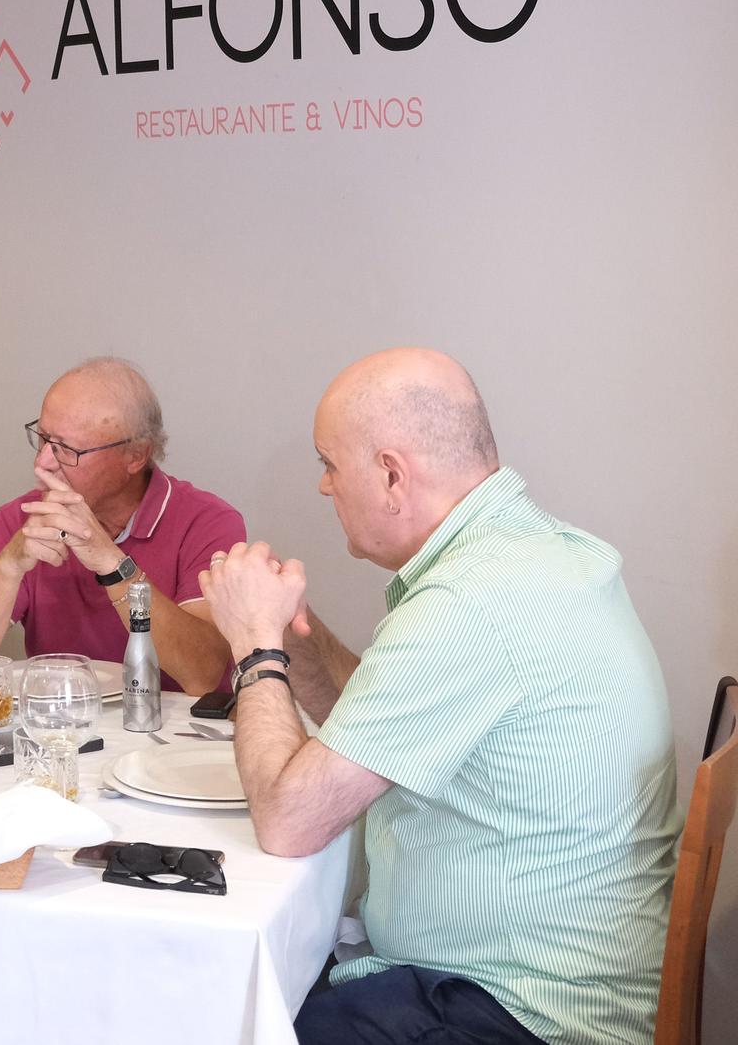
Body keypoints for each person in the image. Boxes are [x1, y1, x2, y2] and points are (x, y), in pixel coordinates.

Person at [197, 348, 679, 1045]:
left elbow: (287, 822)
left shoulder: (471, 601)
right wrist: (287, 635)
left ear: (391, 474)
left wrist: (254, 648)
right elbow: (376, 722)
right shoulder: (531, 552)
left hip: (514, 1016)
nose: (324, 488)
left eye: (329, 464)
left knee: (212, 1014)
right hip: (519, 984)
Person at [0, 358, 242, 695]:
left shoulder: (207, 523)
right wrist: (10, 564)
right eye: (42, 439)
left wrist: (111, 563)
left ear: (136, 455)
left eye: (65, 449)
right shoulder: (23, 519)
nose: (42, 462)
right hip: (59, 729)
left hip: (172, 736)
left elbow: (202, 675)